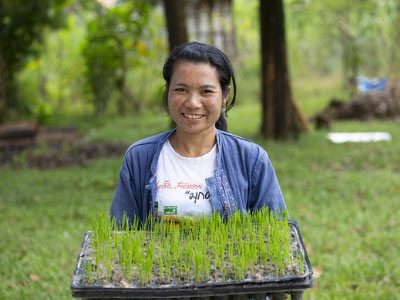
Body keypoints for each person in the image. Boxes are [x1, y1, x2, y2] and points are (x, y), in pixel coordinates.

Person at [110, 41, 287, 226]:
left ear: (224, 96)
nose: (193, 102)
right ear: (168, 92)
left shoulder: (251, 159)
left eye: (206, 91)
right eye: (181, 89)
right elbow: (119, 236)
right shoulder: (139, 158)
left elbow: (276, 235)